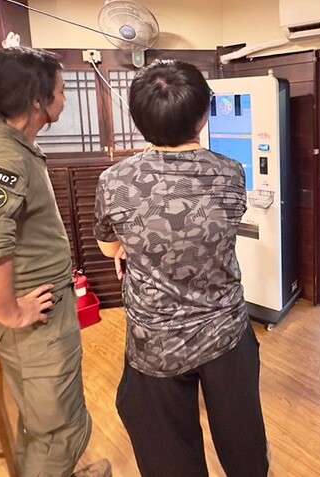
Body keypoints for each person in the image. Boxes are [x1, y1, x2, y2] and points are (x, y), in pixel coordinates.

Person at [93, 59, 268, 477]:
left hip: (155, 340)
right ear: (204, 113)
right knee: (243, 440)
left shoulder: (115, 181)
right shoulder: (230, 172)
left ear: (137, 119)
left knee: (168, 453)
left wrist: (130, 250)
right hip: (226, 331)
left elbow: (108, 247)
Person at [0, 46, 110, 477]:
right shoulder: (3, 156)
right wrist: (11, 310)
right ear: (38, 100)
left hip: (35, 316)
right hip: (34, 322)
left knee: (41, 420)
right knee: (61, 427)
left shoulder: (8, 143)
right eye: (60, 90)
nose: (65, 97)